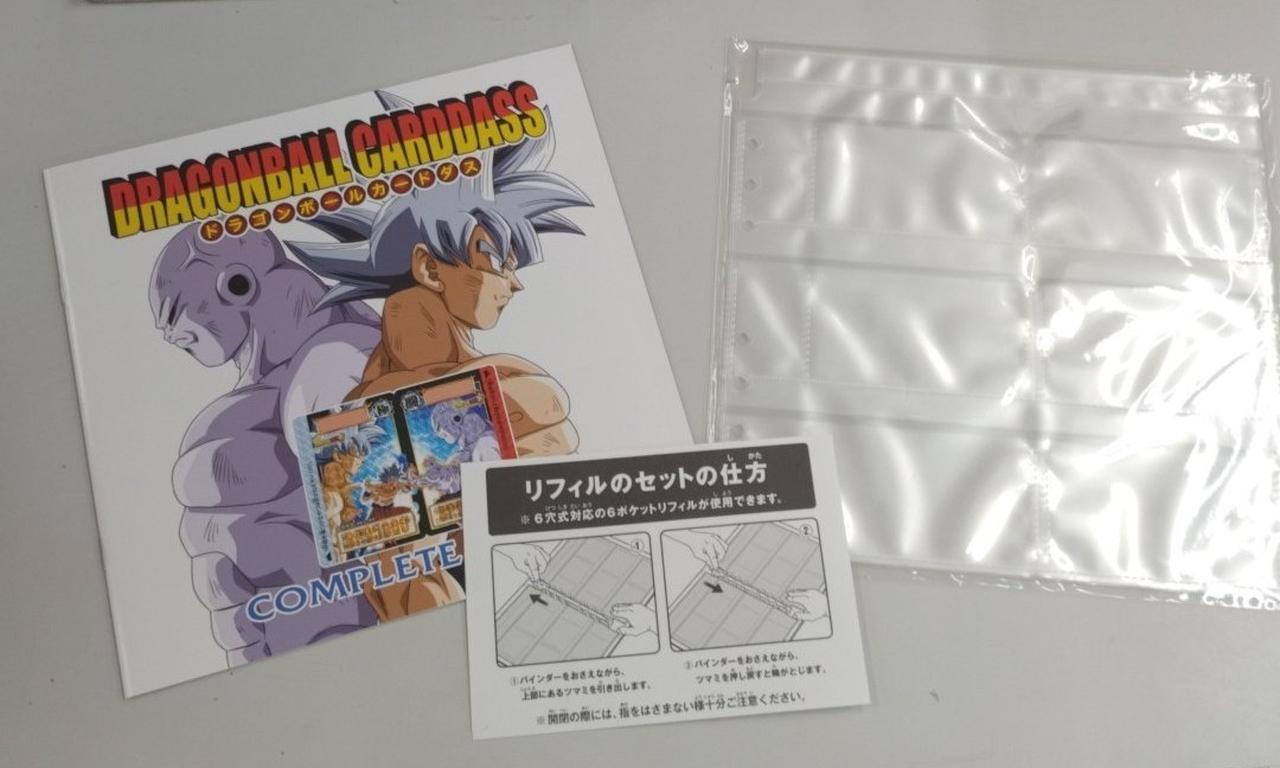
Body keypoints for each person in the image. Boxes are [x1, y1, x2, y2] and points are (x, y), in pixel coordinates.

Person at [287, 92, 593, 620]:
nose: (514, 282)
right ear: (430, 268)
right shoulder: (362, 419)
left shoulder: (497, 386)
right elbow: (407, 594)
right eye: (495, 258)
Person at [150, 225, 381, 663]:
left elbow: (393, 502)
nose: (169, 332)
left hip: (346, 643)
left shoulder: (332, 358)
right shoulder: (292, 373)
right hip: (284, 652)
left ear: (236, 284)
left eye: (175, 311)